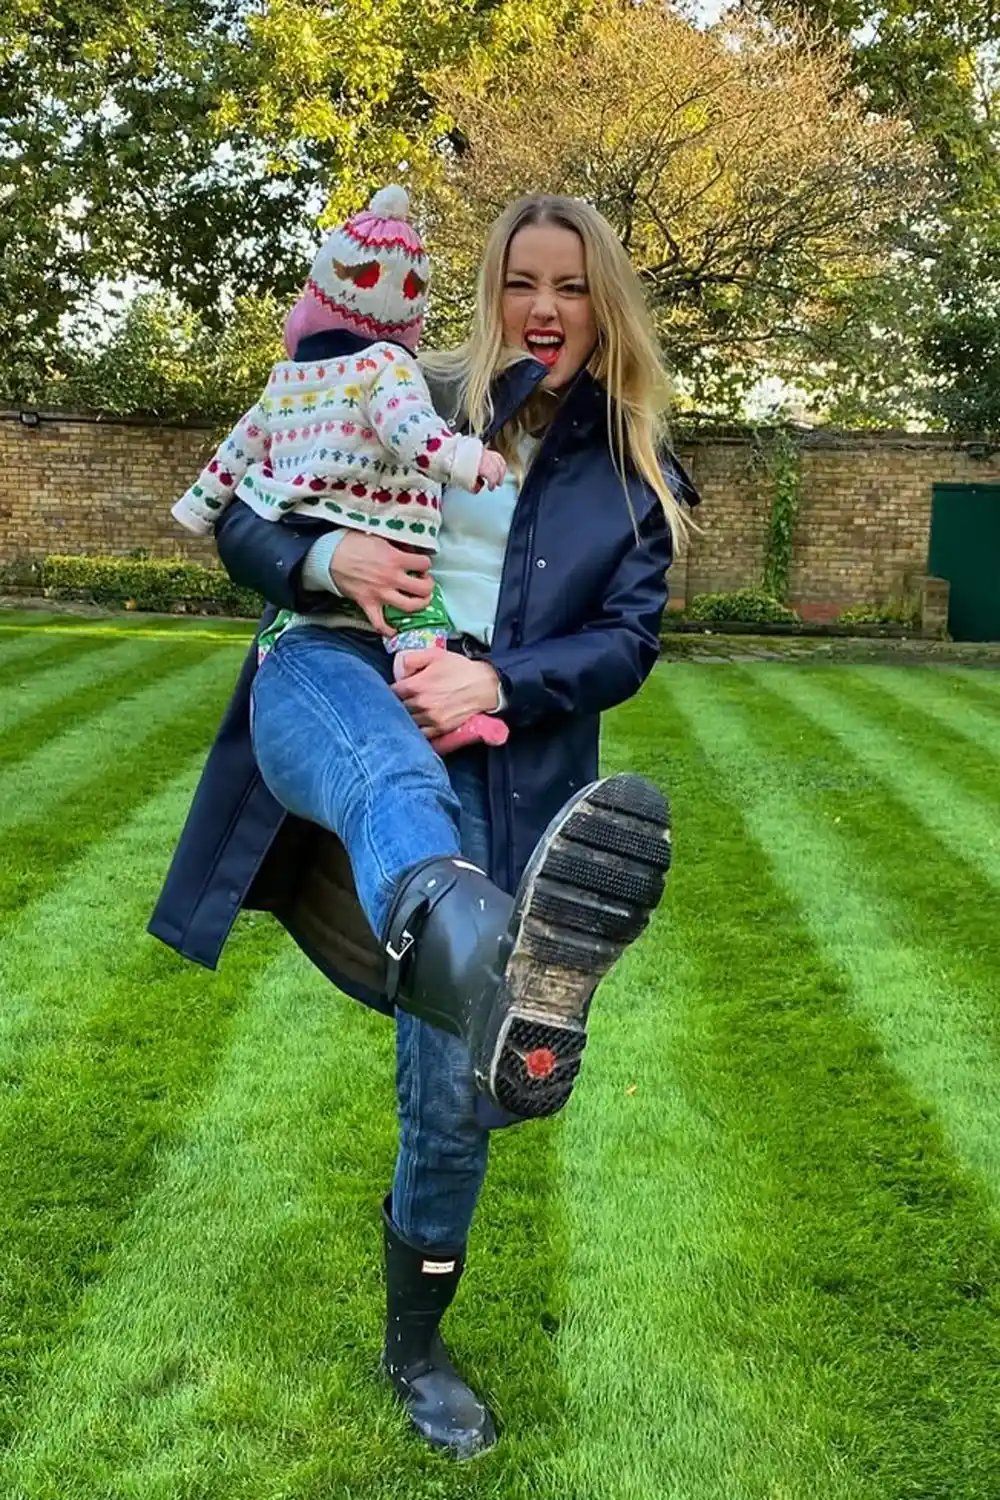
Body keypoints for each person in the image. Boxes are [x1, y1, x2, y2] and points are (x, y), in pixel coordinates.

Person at [149, 192, 700, 1461]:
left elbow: (625, 644)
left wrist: (497, 680)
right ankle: (499, 963)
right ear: (491, 292)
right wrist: (323, 561)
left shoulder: (636, 466)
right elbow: (240, 512)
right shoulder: (397, 384)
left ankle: (418, 1341)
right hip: (329, 673)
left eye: (569, 286)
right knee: (396, 798)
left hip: (497, 765)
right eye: (521, 282)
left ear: (601, 300)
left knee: (450, 1102)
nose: (544, 311)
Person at [170, 183, 509, 755]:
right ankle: (443, 716)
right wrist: (471, 461)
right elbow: (412, 433)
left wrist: (196, 506)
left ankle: (285, 661)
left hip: (303, 525)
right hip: (385, 533)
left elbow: (235, 453)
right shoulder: (389, 366)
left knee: (302, 628)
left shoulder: (288, 379)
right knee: (420, 621)